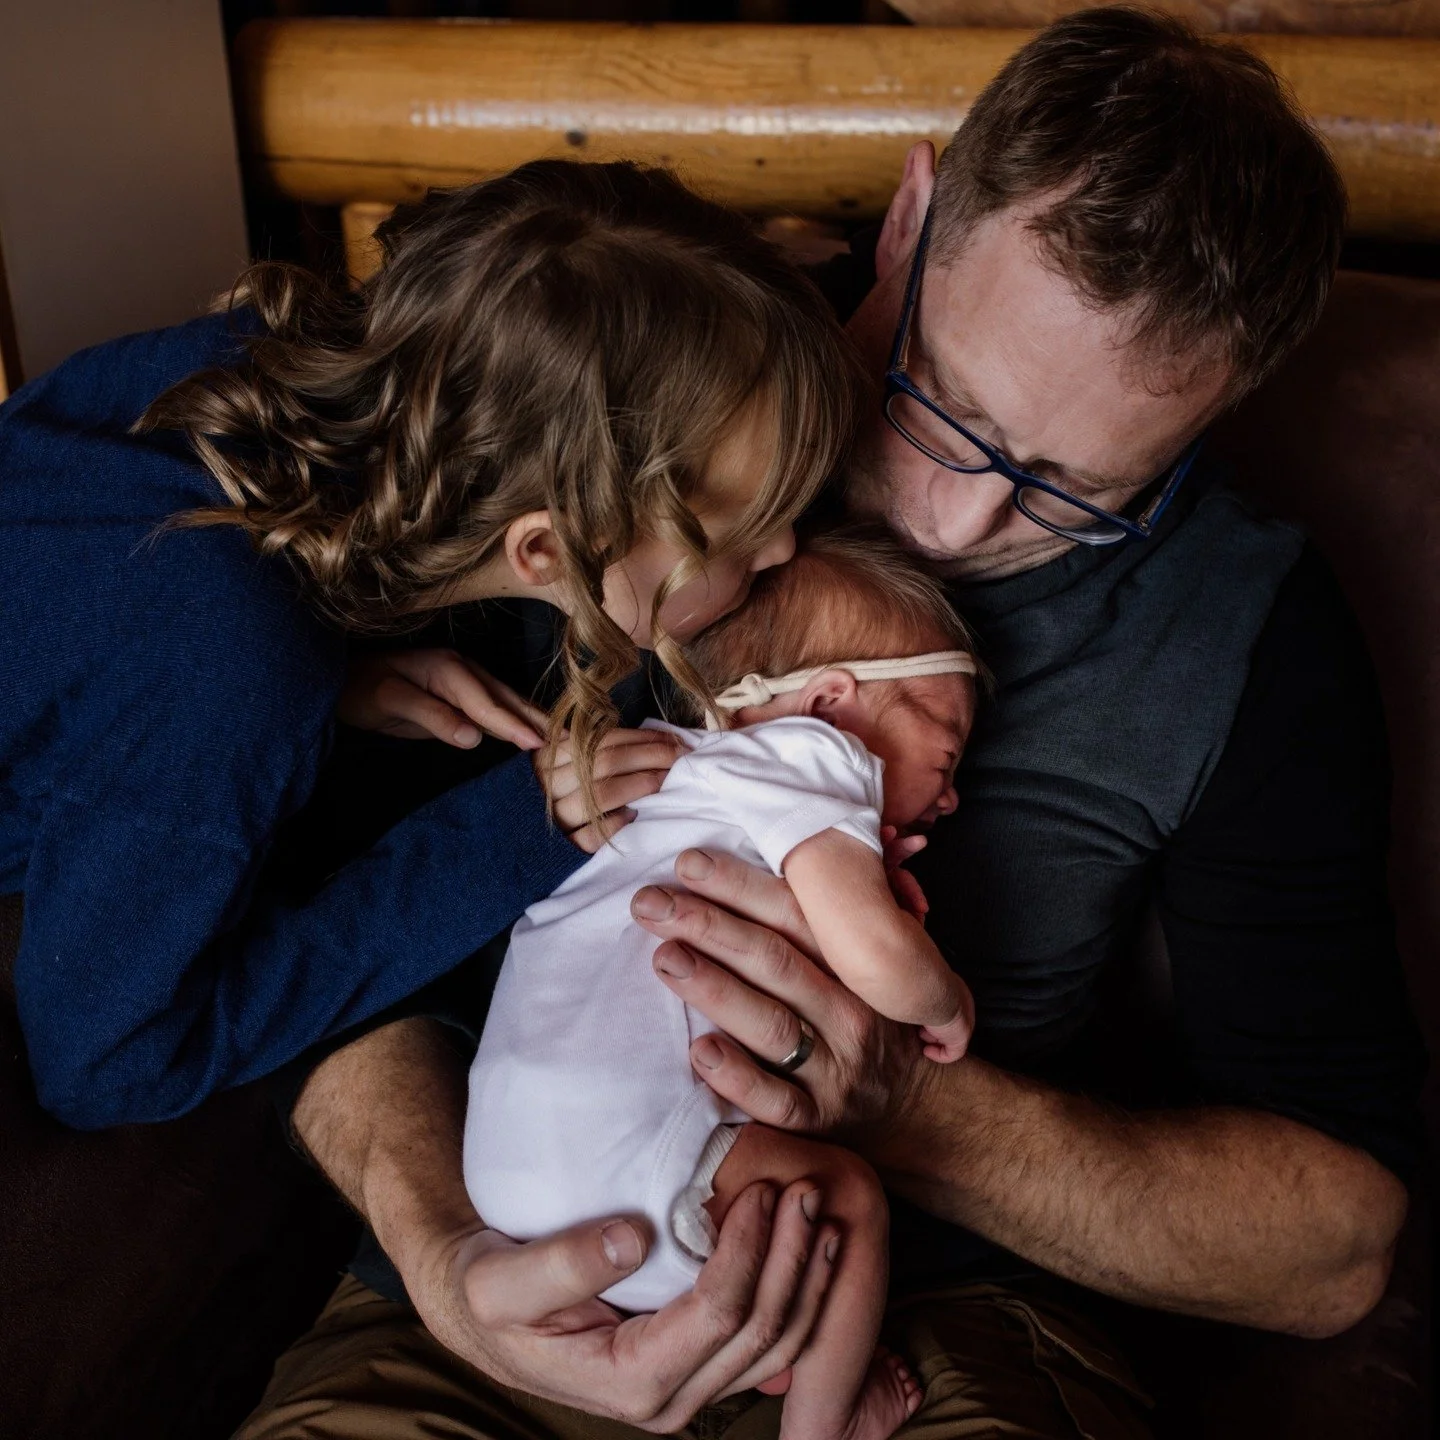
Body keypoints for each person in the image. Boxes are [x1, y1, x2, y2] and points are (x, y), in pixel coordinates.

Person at [247, 10, 1425, 1440]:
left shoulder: (1244, 635)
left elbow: (1337, 1245)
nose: (956, 518)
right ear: (913, 217)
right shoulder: (633, 376)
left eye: (1077, 490)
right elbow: (291, 936)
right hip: (488, 1282)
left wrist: (899, 1109)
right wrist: (449, 1257)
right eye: (946, 402)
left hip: (923, 1329)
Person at [0, 161, 873, 1384]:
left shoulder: (267, 363)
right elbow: (107, 1062)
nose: (786, 551)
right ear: (545, 552)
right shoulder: (225, 668)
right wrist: (507, 833)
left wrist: (331, 675)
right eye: (744, 535)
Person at [465, 529, 979, 1440]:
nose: (951, 798)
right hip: (612, 1150)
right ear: (831, 703)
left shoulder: (670, 765)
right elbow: (874, 958)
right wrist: (942, 997)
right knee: (847, 1201)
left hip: (501, 1174)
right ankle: (829, 1419)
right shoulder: (814, 759)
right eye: (944, 754)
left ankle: (786, 1341)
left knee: (764, 1196)